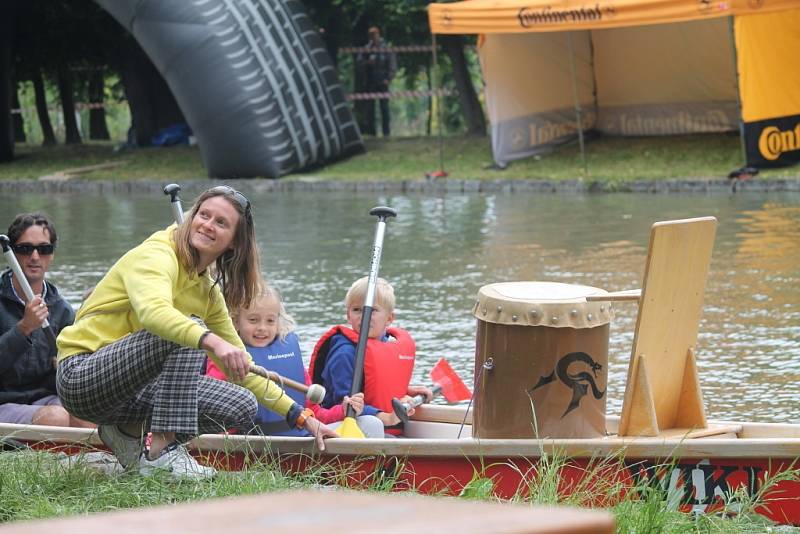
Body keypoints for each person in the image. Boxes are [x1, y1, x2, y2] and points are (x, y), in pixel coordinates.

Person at [55, 186, 337, 480]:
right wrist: (210, 340)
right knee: (188, 328)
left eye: (221, 222)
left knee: (241, 403)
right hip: (82, 377)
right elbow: (154, 314)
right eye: (204, 215)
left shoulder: (208, 293)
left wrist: (303, 417)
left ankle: (126, 431)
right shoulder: (156, 254)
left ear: (233, 242)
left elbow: (244, 367)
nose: (208, 225)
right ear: (192, 216)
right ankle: (161, 453)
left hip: (131, 394)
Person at [207, 282, 384, 438]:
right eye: (253, 320)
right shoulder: (224, 357)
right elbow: (213, 415)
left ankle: (369, 474)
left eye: (270, 321)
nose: (262, 328)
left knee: (371, 423)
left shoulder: (289, 355)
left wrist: (343, 411)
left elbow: (316, 414)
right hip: (252, 443)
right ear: (236, 321)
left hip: (302, 438)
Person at [0, 213, 93, 428]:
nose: (34, 256)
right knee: (55, 418)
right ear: (11, 252)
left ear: (51, 255)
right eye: (25, 249)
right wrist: (24, 328)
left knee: (89, 416)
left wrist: (66, 364)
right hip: (5, 402)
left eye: (43, 249)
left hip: (47, 399)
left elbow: (76, 373)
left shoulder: (61, 309)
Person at [308, 276, 432, 436]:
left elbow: (375, 384)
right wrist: (385, 417)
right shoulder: (343, 354)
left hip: (383, 424)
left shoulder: (386, 345)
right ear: (348, 315)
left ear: (389, 318)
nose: (363, 316)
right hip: (343, 423)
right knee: (380, 430)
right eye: (357, 310)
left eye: (372, 310)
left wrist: (408, 390)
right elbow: (345, 403)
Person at [357, 26, 397, 137]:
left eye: (375, 35)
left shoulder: (386, 49)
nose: (373, 38)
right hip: (370, 82)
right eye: (371, 36)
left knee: (384, 108)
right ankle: (372, 133)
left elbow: (392, 65)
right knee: (370, 109)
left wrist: (388, 79)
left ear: (379, 35)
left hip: (382, 82)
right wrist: (367, 63)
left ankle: (386, 133)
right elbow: (359, 64)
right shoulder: (366, 49)